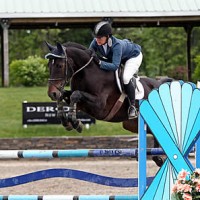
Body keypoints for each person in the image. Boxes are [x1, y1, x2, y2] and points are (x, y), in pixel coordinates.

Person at [89, 21, 143, 119]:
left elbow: (114, 66)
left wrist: (100, 63)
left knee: (126, 78)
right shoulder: (96, 42)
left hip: (133, 56)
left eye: (100, 37)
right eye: (96, 37)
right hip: (119, 57)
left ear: (108, 36)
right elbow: (89, 54)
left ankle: (132, 107)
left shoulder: (116, 45)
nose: (97, 40)